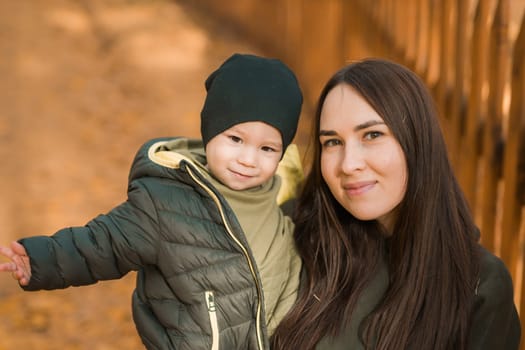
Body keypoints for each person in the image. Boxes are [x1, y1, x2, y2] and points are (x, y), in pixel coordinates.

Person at [0, 53, 304, 350]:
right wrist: (42, 259)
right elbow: (102, 244)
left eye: (267, 148)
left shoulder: (282, 205)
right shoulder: (166, 202)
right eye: (235, 139)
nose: (248, 159)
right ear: (210, 131)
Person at [270, 58, 521, 350]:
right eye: (332, 142)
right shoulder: (293, 236)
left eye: (372, 135)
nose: (349, 164)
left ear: (416, 140)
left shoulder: (479, 286)